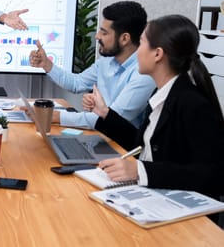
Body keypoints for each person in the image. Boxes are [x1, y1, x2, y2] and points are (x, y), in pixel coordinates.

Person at [90, 15, 224, 222]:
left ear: (158, 54)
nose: (137, 51)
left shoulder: (192, 104)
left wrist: (140, 170)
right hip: (154, 200)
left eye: (142, 42)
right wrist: (106, 114)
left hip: (187, 220)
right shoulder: (162, 94)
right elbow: (144, 145)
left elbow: (213, 175)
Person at [29, 1, 155, 129]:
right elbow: (76, 83)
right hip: (97, 136)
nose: (97, 36)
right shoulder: (106, 61)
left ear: (124, 39)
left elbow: (114, 117)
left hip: (120, 146)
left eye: (104, 33)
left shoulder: (143, 74)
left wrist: (55, 116)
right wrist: (47, 64)